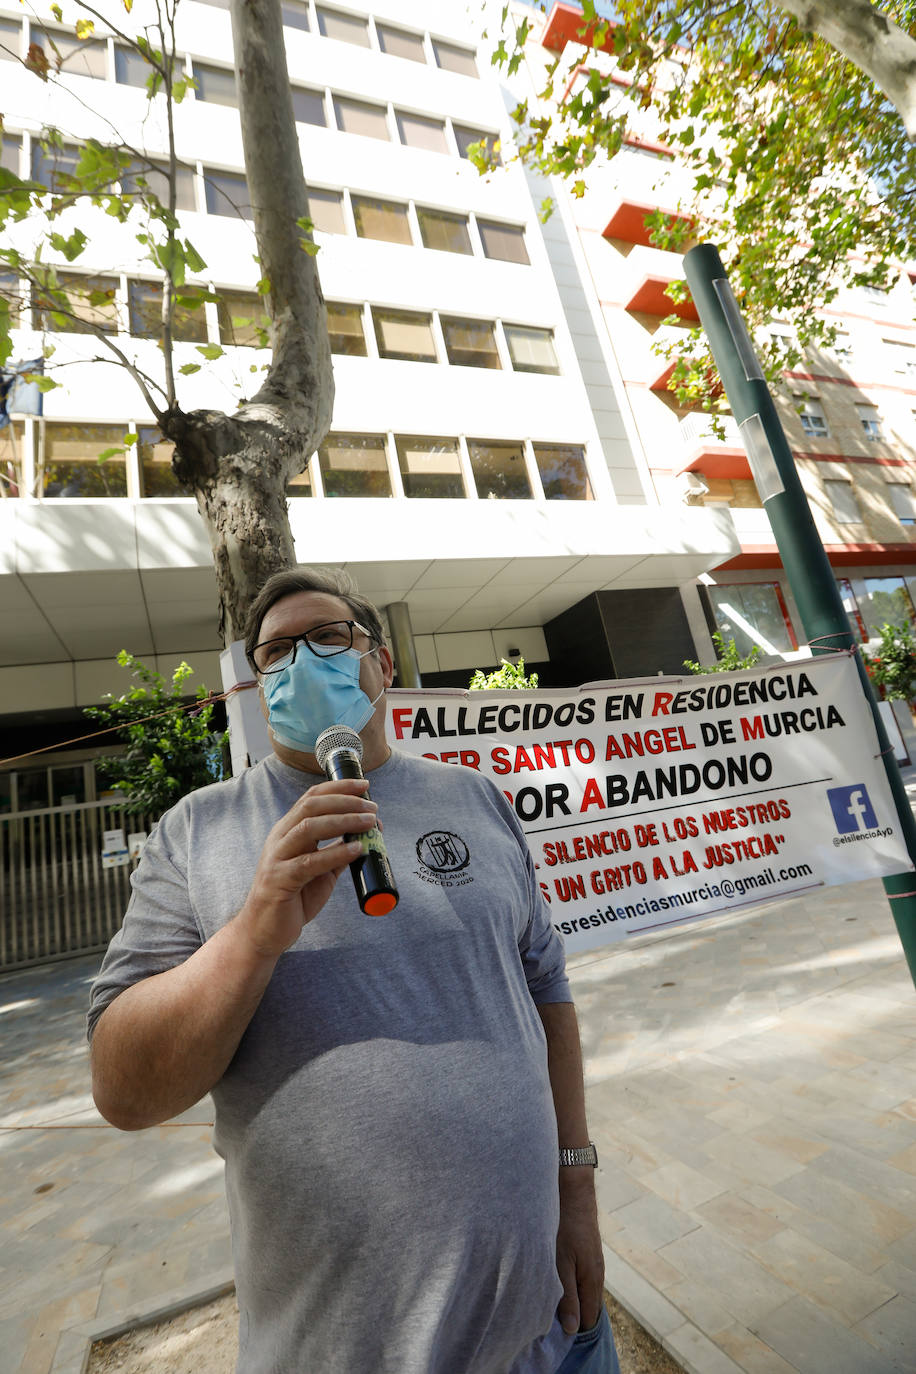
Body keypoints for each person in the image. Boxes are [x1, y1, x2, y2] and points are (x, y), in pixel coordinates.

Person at [88, 567, 618, 1374]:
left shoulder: (476, 798)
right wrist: (253, 934)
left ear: (384, 661)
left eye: (328, 637)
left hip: (548, 1333)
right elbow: (123, 1090)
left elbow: (546, 990)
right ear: (258, 687)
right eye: (276, 653)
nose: (303, 662)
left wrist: (576, 1190)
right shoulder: (197, 831)